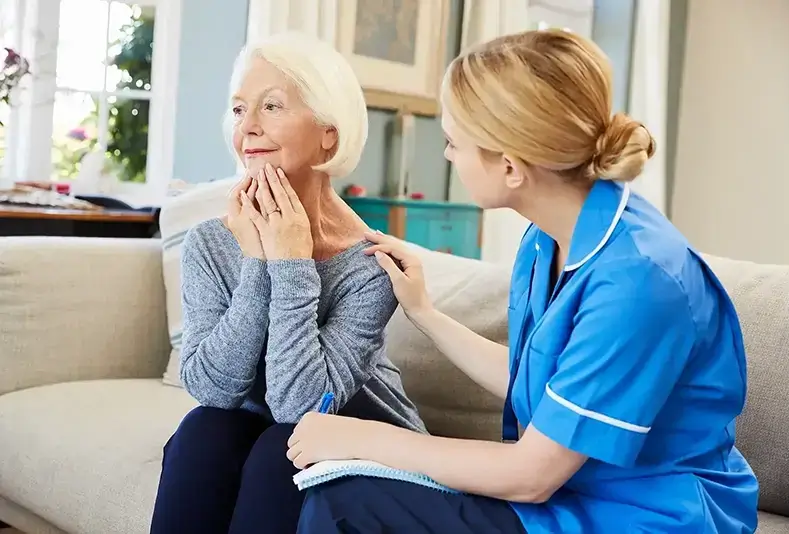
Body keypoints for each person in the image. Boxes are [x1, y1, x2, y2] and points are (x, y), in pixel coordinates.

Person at [287, 29, 760, 533]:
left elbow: (533, 474)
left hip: (645, 518)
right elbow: (539, 385)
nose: (447, 156)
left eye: (452, 143)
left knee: (346, 503)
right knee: (337, 492)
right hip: (572, 500)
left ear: (510, 165)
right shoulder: (546, 239)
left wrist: (361, 439)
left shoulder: (640, 283)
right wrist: (425, 312)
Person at [149, 33, 425, 534]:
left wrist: (292, 264)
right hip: (266, 430)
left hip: (363, 440)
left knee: (281, 450)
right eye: (238, 110)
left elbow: (300, 407)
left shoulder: (369, 263)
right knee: (202, 431)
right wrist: (258, 260)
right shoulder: (212, 244)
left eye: (272, 106)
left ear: (329, 135)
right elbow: (210, 388)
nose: (248, 127)